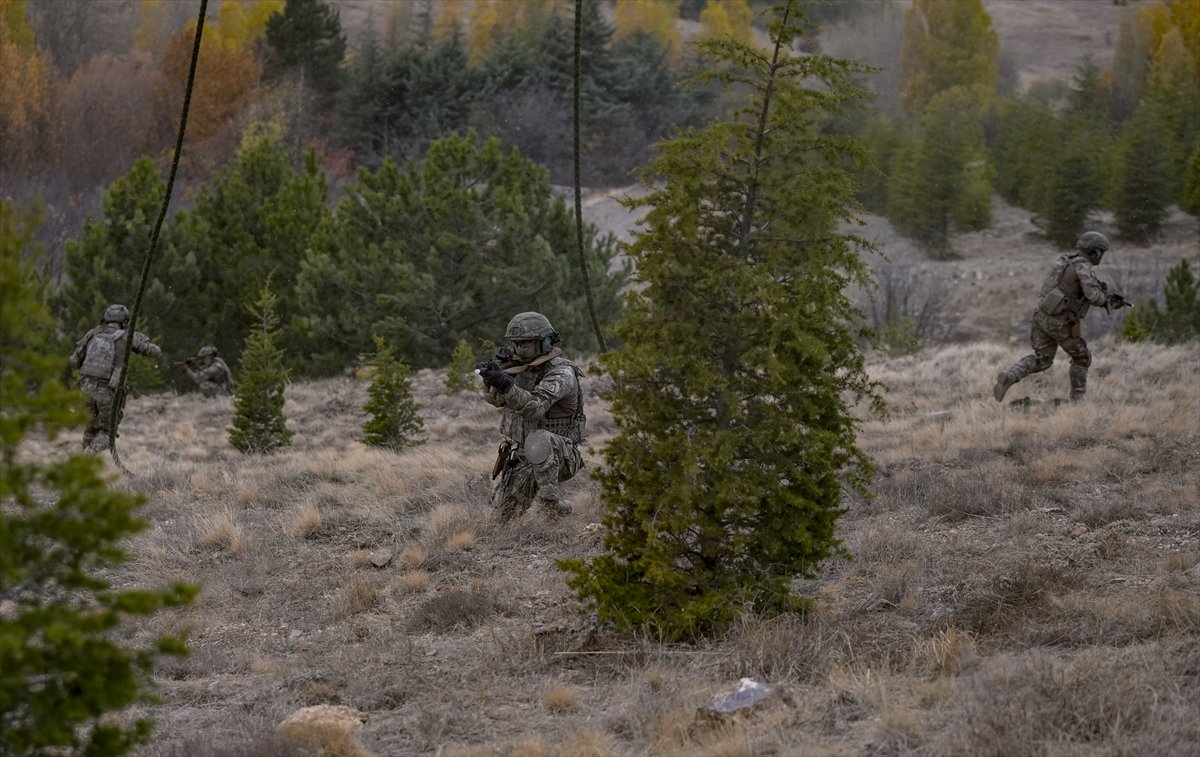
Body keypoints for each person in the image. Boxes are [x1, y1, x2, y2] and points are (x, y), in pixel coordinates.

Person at [477, 312, 586, 520]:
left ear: (544, 342)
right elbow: (495, 400)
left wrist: (506, 384)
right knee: (501, 520)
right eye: (516, 343)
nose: (519, 348)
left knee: (540, 438)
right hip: (522, 455)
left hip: (560, 454)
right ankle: (559, 507)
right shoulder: (519, 368)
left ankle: (551, 504)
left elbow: (534, 408)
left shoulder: (561, 372)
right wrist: (492, 377)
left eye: (526, 343)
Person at [994, 231, 1126, 403]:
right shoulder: (1084, 268)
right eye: (1101, 252)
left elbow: (1064, 288)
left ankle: (1010, 376)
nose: (1101, 257)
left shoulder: (1062, 261)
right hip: (1061, 323)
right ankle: (1077, 402)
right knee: (1082, 357)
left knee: (1042, 360)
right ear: (1094, 251)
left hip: (1041, 317)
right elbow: (1093, 295)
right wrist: (1108, 301)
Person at [68, 303, 161, 452]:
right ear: (125, 320)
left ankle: (83, 466)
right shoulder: (128, 336)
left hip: (84, 390)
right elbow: (155, 351)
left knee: (90, 429)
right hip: (108, 392)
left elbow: (73, 361)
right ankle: (88, 456)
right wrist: (134, 339)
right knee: (106, 433)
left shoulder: (93, 333)